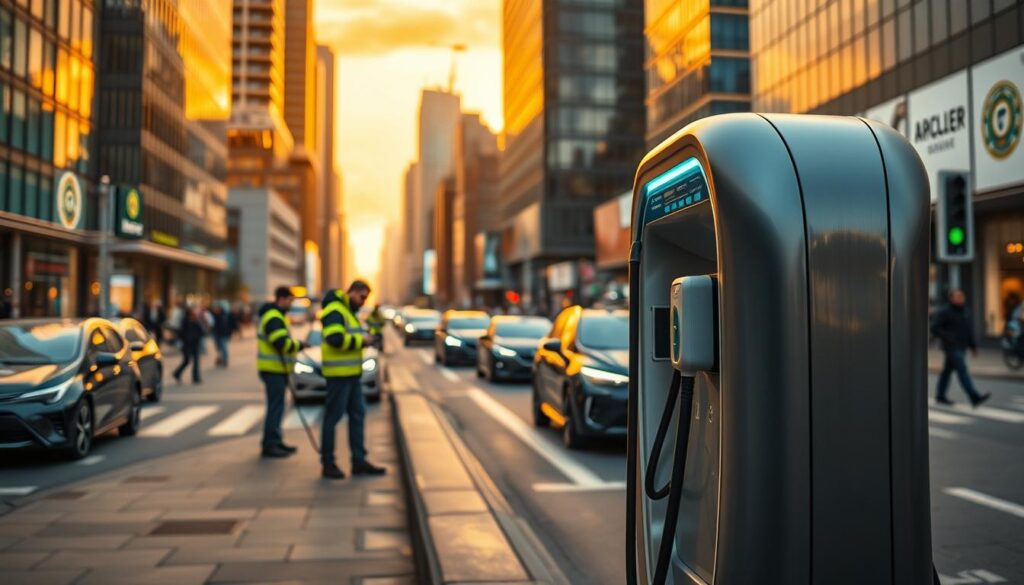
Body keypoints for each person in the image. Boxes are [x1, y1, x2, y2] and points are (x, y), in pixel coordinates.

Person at [319, 281, 387, 479]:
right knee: (333, 418)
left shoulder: (349, 312)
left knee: (358, 415)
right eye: (362, 297)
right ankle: (328, 463)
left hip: (351, 375)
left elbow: (348, 336)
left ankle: (359, 461)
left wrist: (368, 336)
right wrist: (361, 341)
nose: (363, 301)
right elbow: (335, 339)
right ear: (352, 292)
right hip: (339, 376)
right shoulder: (335, 310)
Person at [257, 286, 304, 458]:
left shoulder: (276, 316)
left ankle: (275, 441)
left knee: (277, 406)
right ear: (281, 299)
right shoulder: (273, 317)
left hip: (277, 369)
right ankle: (270, 445)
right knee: (275, 407)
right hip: (273, 369)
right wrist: (300, 345)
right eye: (290, 300)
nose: (291, 304)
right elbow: (281, 343)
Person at [931, 289, 991, 407]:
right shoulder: (945, 312)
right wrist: (949, 338)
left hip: (962, 346)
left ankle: (940, 396)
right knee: (962, 371)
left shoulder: (965, 311)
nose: (960, 298)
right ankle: (974, 397)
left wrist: (973, 346)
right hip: (951, 347)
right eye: (957, 296)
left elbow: (967, 330)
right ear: (951, 298)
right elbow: (935, 328)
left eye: (961, 296)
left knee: (946, 372)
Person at [173, 307, 206, 385]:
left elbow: (202, 332)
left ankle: (196, 377)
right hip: (186, 345)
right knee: (187, 360)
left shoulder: (196, 321)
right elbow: (180, 333)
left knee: (196, 361)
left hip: (195, 344)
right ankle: (177, 373)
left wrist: (196, 323)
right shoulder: (184, 322)